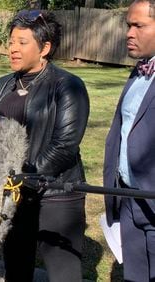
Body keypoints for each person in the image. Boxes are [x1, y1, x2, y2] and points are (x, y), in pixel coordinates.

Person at [0, 10, 90, 281]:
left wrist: (26, 176)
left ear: (45, 48)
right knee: (16, 269)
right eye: (11, 42)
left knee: (63, 274)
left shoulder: (68, 86)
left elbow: (64, 144)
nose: (13, 49)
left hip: (57, 195)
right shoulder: (1, 86)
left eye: (22, 43)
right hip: (16, 196)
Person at [104, 0, 155, 280]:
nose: (129, 33)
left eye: (139, 25)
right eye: (128, 25)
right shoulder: (139, 71)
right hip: (129, 200)